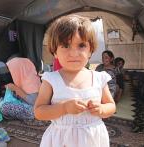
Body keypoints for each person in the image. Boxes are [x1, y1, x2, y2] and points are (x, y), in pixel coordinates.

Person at [34, 15, 116, 147]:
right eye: (65, 46)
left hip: (92, 139)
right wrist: (64, 107)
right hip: (61, 140)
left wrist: (101, 109)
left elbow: (111, 106)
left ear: (91, 50)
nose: (73, 53)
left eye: (81, 45)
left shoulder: (99, 78)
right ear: (54, 52)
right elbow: (39, 112)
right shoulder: (51, 80)